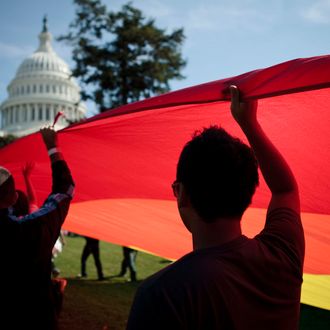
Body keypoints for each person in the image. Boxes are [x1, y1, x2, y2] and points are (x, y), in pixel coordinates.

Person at [126, 86, 305, 329]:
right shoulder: (283, 255)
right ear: (249, 191)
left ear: (181, 193)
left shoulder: (162, 293)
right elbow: (286, 189)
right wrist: (249, 123)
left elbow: (285, 189)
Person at [0, 127, 74, 330]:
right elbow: (65, 190)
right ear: (14, 198)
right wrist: (52, 148)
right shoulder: (30, 230)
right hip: (35, 317)